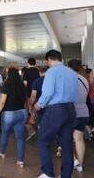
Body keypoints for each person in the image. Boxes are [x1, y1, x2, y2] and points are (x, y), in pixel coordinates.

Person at [35, 50, 78, 178]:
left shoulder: (51, 71)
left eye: (47, 61)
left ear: (49, 59)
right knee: (66, 143)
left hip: (55, 110)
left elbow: (48, 93)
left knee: (43, 140)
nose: (48, 64)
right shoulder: (71, 72)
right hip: (70, 109)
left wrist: (39, 104)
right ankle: (65, 175)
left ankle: (48, 173)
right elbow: (75, 94)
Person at [0, 66, 27, 168]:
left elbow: (2, 102)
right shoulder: (22, 85)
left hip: (9, 114)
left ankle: (2, 151)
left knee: (5, 133)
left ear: (9, 74)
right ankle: (20, 160)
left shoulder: (6, 85)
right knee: (20, 138)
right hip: (22, 112)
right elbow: (26, 100)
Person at [68, 59, 89, 173]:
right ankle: (80, 165)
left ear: (69, 67)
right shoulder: (84, 79)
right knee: (79, 139)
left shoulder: (70, 79)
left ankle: (74, 160)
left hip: (72, 112)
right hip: (84, 112)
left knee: (64, 137)